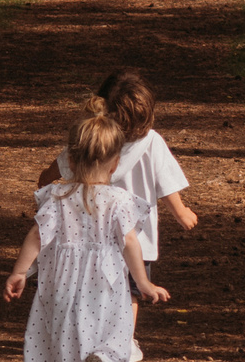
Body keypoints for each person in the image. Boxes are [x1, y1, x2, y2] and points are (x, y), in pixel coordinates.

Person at [5, 107, 169, 362]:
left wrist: (19, 272)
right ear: (115, 163)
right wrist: (144, 283)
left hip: (61, 283)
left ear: (71, 159)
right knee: (115, 328)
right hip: (105, 282)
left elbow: (37, 237)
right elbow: (131, 242)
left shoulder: (56, 195)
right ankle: (107, 359)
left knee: (67, 335)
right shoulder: (119, 200)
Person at [33, 69, 197, 319]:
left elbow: (58, 167)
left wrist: (45, 180)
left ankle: (87, 336)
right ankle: (124, 342)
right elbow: (165, 183)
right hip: (138, 241)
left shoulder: (93, 139)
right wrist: (181, 212)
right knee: (130, 294)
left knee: (91, 290)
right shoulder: (152, 142)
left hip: (91, 238)